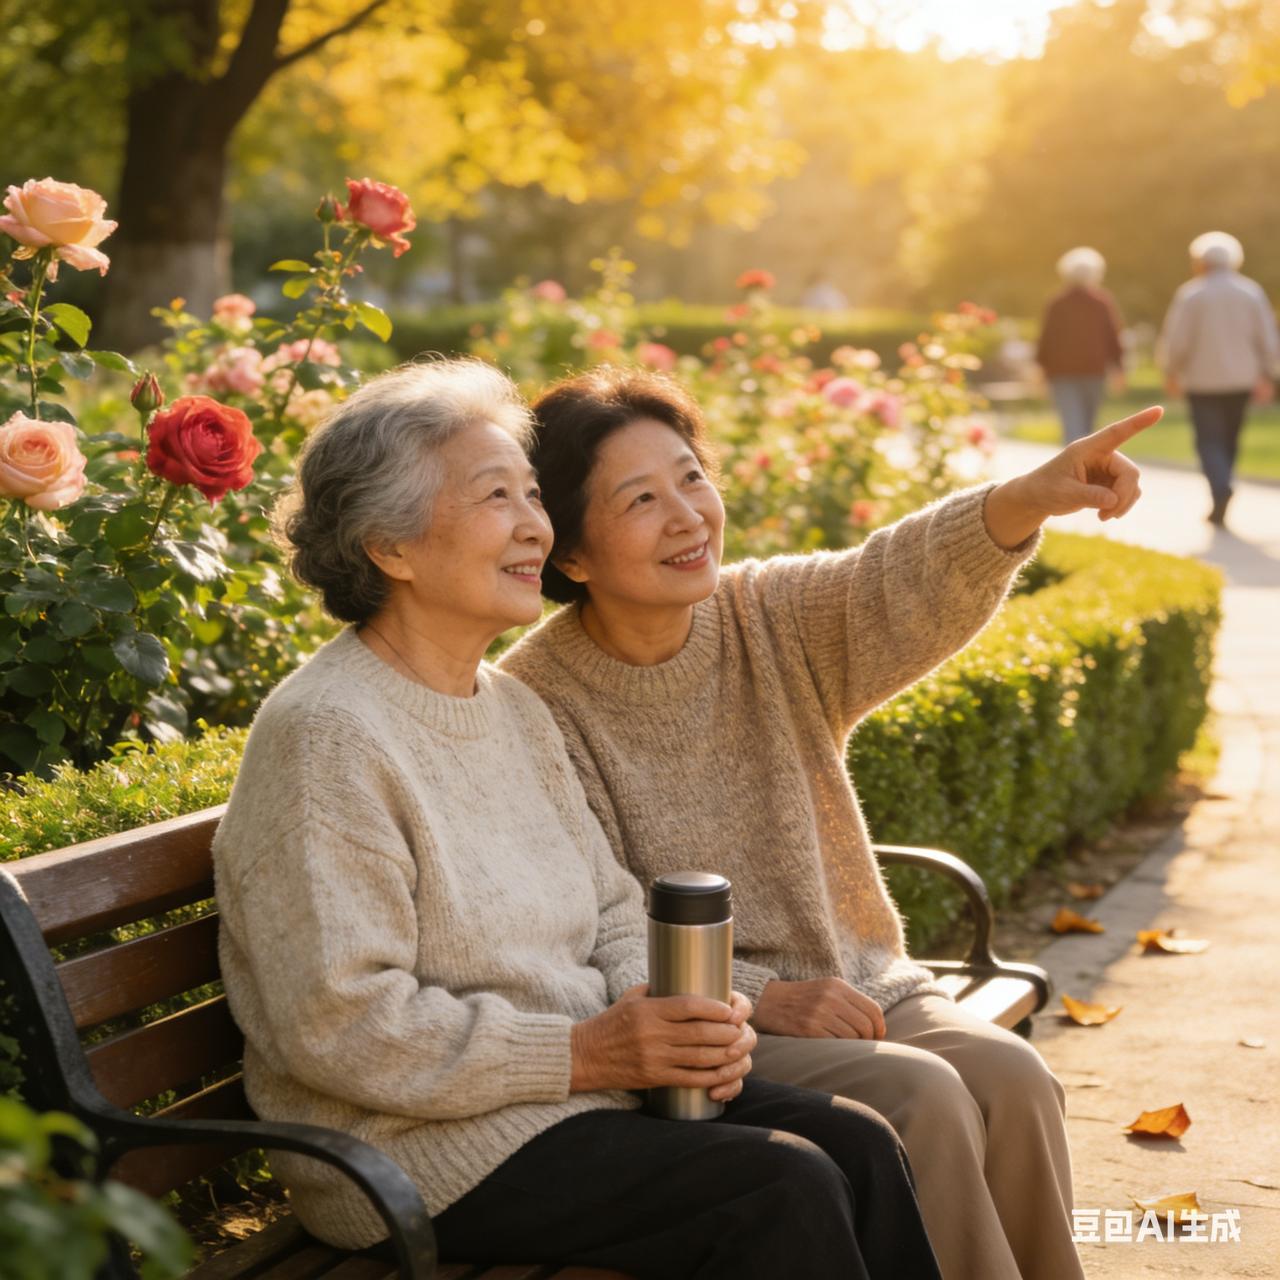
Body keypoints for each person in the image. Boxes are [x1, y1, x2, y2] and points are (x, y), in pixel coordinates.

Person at [211, 359, 941, 1280]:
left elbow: (607, 911)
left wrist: (686, 1018)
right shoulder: (327, 736)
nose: (533, 526)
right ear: (389, 548)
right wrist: (585, 1052)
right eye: (493, 499)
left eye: (530, 493)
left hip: (575, 1104)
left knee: (862, 1146)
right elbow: (340, 1026)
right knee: (778, 1186)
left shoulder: (509, 708)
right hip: (415, 1154)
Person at [500, 366, 1161, 1280]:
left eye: (692, 476)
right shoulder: (538, 701)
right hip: (715, 1024)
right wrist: (760, 995)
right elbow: (587, 922)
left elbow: (896, 580)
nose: (688, 515)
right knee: (924, 1097)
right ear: (570, 555)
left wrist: (1030, 497)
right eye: (640, 499)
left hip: (865, 985)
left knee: (1013, 1078)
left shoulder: (765, 614)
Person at [1158, 230, 1280, 526]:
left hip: (1203, 382)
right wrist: (1269, 375)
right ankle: (1223, 486)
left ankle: (1220, 488)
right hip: (1241, 381)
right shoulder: (1250, 292)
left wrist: (1171, 370)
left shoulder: (1192, 294)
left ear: (1200, 261)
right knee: (1229, 440)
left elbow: (1177, 341)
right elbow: (1266, 338)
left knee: (1208, 441)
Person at [1035, 245, 1126, 444]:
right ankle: (1080, 468)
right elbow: (1113, 338)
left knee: (1072, 423)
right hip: (1093, 370)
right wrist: (1119, 368)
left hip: (1063, 372)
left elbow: (1046, 340)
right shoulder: (1102, 302)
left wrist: (1041, 369)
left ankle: (1076, 467)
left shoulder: (1057, 303)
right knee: (1087, 426)